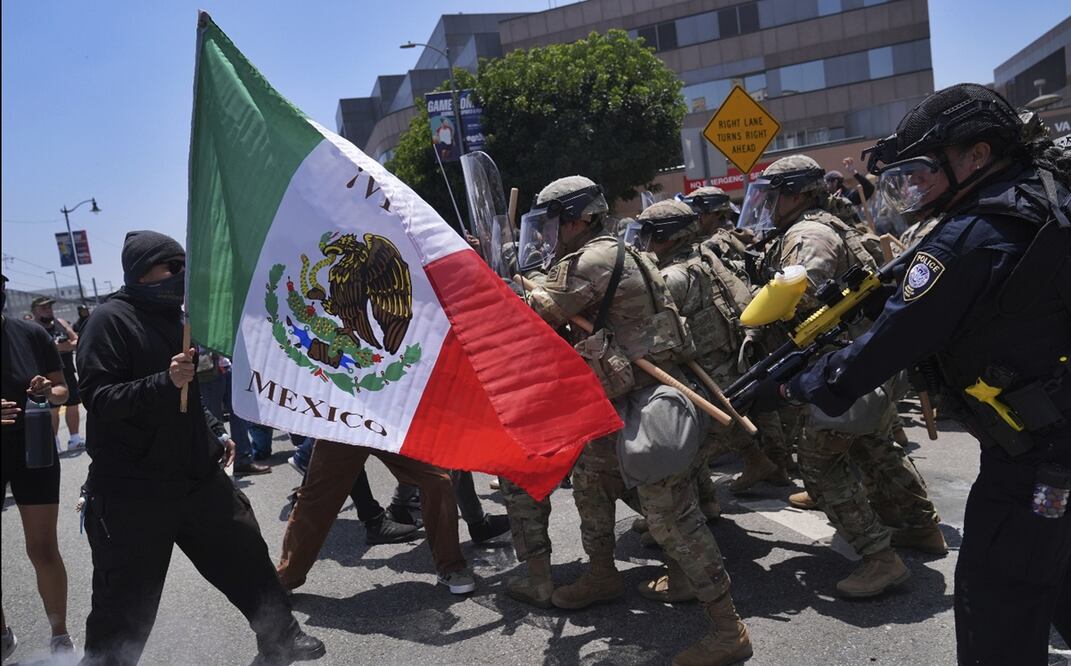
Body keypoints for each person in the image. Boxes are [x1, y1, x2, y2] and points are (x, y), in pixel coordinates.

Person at [742, 84, 1071, 664]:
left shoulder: (968, 236)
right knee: (1056, 573)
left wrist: (796, 385)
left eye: (926, 169)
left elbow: (890, 345)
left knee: (998, 601)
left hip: (1032, 460)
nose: (915, 186)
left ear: (978, 154)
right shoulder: (1045, 200)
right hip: (1057, 432)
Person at [517, 176, 752, 666]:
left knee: (672, 518)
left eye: (555, 222)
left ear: (578, 219)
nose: (550, 234)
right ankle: (603, 574)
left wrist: (502, 283)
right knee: (590, 479)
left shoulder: (591, 260)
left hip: (649, 403)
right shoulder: (617, 251)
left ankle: (728, 629)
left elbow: (535, 316)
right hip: (628, 395)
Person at [76, 231, 324, 665]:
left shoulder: (179, 318)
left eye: (183, 265)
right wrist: (163, 381)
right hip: (134, 493)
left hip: (197, 479)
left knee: (245, 556)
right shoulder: (110, 321)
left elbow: (186, 401)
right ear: (141, 272)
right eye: (171, 267)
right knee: (123, 605)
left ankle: (280, 638)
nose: (181, 275)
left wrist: (212, 429)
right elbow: (99, 399)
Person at [737, 154, 946, 599]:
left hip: (844, 367)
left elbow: (798, 295)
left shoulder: (807, 235)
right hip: (868, 362)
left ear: (795, 194)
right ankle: (920, 527)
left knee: (818, 462)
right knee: (877, 448)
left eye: (774, 196)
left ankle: (879, 559)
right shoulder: (830, 223)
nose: (768, 206)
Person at [275, 438, 477, 595]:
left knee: (437, 481)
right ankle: (286, 577)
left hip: (385, 418)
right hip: (343, 421)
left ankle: (451, 566)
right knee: (316, 499)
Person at [1, 275, 76, 659]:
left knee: (43, 547)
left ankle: (59, 633)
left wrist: (48, 390)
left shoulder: (31, 335)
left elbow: (63, 388)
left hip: (34, 451)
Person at [30, 296, 84, 451]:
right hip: (47, 375)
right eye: (43, 308)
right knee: (52, 409)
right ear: (34, 311)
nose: (48, 311)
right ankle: (54, 442)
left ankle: (74, 438)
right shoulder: (34, 328)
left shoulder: (61, 323)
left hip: (67, 370)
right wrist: (62, 347)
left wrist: (62, 347)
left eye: (49, 307)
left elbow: (77, 341)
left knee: (73, 404)